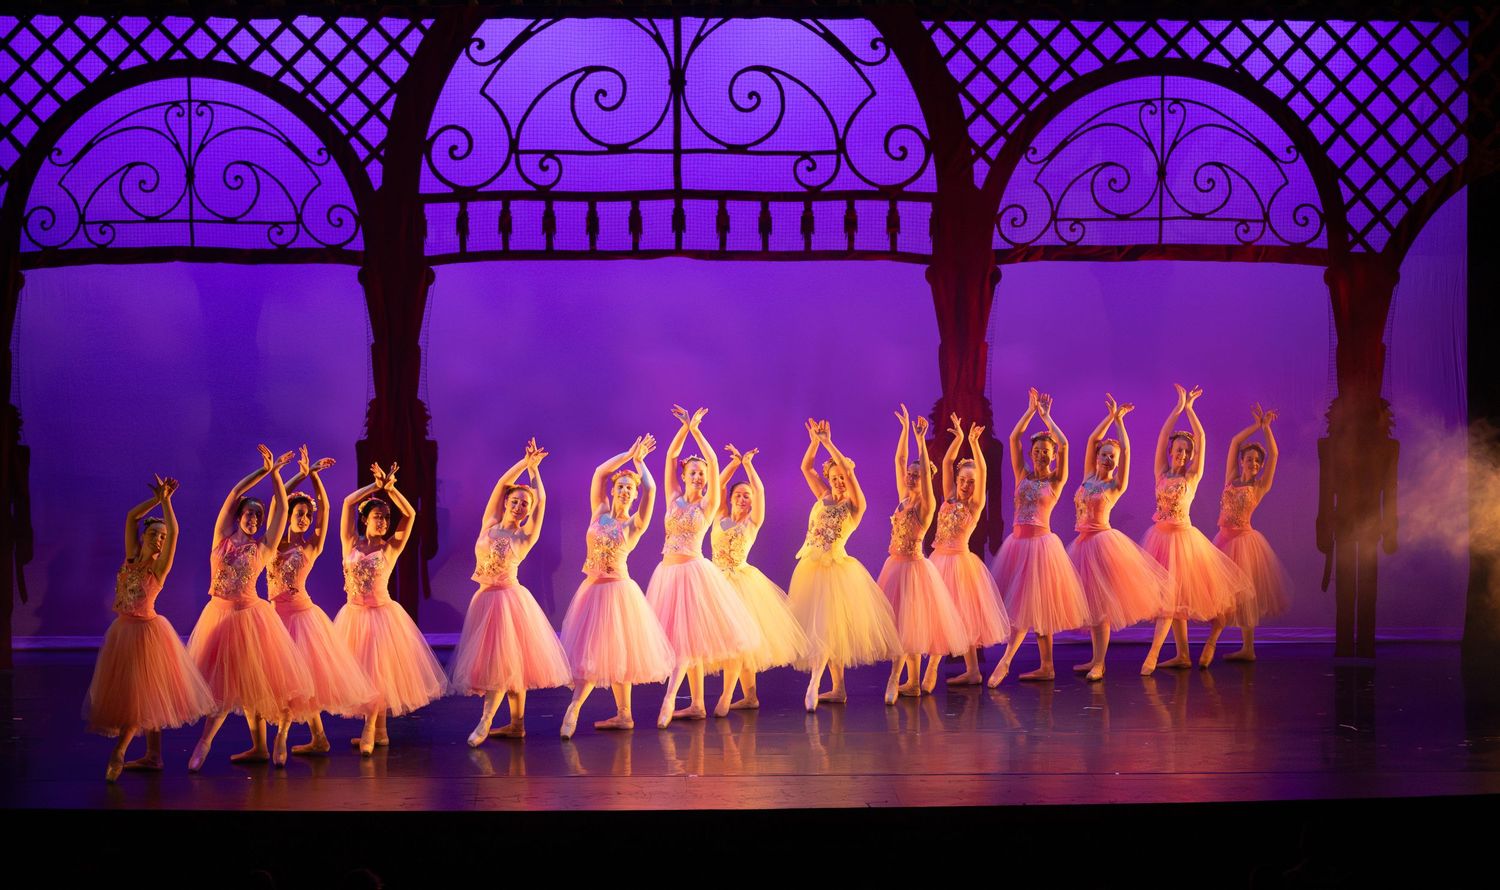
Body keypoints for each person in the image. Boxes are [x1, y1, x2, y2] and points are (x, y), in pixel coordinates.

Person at [187, 446, 313, 771]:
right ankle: (205, 741)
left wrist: (276, 478)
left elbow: (282, 510)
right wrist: (262, 471)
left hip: (251, 618)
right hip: (219, 616)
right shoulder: (221, 538)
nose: (255, 518)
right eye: (250, 513)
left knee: (261, 686)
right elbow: (234, 493)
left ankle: (270, 742)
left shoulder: (264, 548)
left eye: (259, 515)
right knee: (222, 688)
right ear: (239, 515)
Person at [85, 475, 213, 781]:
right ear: (144, 538)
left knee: (140, 695)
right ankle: (154, 756)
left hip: (146, 634)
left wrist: (168, 503)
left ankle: (120, 749)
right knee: (145, 694)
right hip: (122, 632)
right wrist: (157, 499)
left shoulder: (159, 568)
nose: (160, 540)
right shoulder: (131, 559)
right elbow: (131, 517)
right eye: (155, 535)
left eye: (163, 538)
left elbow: (177, 532)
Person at [448, 439, 571, 744]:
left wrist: (535, 474)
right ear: (506, 503)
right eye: (515, 501)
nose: (519, 507)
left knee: (504, 664)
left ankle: (486, 721)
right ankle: (517, 725)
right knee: (510, 664)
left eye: (524, 505)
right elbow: (503, 483)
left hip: (509, 601)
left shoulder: (525, 535)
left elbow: (541, 498)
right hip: (485, 599)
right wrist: (524, 463)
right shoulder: (488, 524)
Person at [649, 406, 761, 728]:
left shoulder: (708, 504)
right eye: (693, 473)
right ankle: (696, 704)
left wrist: (697, 431)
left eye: (702, 474)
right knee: (685, 642)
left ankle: (670, 697)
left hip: (693, 574)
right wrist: (684, 428)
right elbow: (671, 456)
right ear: (684, 476)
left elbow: (713, 462)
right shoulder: (672, 498)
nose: (698, 477)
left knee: (687, 642)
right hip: (667, 573)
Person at [558, 436, 676, 738]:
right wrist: (628, 454)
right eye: (620, 486)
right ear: (614, 491)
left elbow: (651, 488)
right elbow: (599, 472)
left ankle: (583, 709)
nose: (624, 491)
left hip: (619, 592)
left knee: (614, 653)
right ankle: (614, 713)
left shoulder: (635, 524)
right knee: (594, 653)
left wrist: (640, 464)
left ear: (634, 496)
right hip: (592, 589)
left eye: (629, 488)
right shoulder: (599, 512)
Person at [269, 447, 377, 759]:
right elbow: (277, 500)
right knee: (290, 680)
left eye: (307, 514)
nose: (304, 518)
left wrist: (314, 478)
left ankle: (283, 735)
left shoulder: (311, 546)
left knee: (299, 681)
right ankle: (318, 738)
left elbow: (327, 510)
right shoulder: (274, 542)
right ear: (288, 516)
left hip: (301, 617)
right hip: (274, 617)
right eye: (299, 513)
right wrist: (299, 475)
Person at [334, 462, 448, 755]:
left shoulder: (391, 547)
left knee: (376, 674)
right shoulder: (350, 543)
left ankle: (370, 729)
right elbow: (348, 502)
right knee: (363, 673)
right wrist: (376, 487)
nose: (384, 522)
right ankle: (382, 731)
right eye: (378, 516)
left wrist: (392, 489)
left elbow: (409, 514)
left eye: (386, 517)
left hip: (381, 616)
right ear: (365, 520)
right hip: (354, 615)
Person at [788, 419, 902, 712]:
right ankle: (837, 688)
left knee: (826, 629)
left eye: (843, 477)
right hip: (811, 569)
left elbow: (849, 472)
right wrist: (815, 442)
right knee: (828, 629)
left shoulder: (855, 506)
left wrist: (828, 442)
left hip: (837, 571)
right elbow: (806, 468)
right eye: (835, 477)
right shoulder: (822, 496)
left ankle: (814, 683)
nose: (839, 481)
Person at [1139, 385, 1252, 674]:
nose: (1183, 454)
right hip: (1160, 539)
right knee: (1173, 603)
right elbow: (1163, 436)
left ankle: (1152, 656)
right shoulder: (1161, 474)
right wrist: (1177, 406)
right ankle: (1183, 654)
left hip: (1183, 542)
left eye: (1186, 451)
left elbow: (1200, 438)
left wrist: (1190, 409)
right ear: (1171, 452)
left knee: (1171, 601)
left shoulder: (1192, 476)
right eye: (1179, 450)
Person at [988, 390, 1088, 685]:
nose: (1041, 454)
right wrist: (1030, 411)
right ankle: (1047, 667)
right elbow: (1013, 438)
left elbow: (1066, 443)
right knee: (1033, 607)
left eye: (1046, 450)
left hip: (1041, 547)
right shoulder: (1023, 475)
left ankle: (1006, 662)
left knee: (1030, 606)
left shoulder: (1055, 480)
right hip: (1018, 545)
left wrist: (1046, 418)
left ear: (1053, 455)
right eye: (1037, 450)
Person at [1067, 395, 1171, 681]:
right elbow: (1091, 440)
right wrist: (1109, 418)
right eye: (1105, 454)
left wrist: (1120, 422)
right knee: (1089, 606)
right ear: (1098, 456)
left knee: (1100, 609)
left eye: (1112, 456)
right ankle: (1094, 658)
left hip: (1102, 544)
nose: (1108, 458)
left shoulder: (1115, 486)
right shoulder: (1088, 476)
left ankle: (1100, 663)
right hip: (1082, 544)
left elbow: (1126, 449)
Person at [878, 405, 968, 702]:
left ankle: (895, 678)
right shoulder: (903, 498)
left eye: (917, 474)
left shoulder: (925, 506)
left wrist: (922, 441)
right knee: (904, 627)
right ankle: (913, 682)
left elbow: (925, 479)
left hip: (914, 569)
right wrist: (905, 430)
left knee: (910, 626)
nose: (910, 477)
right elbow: (898, 459)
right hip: (895, 565)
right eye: (909, 474)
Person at [711, 443, 810, 712]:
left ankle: (726, 697)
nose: (743, 499)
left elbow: (761, 490)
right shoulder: (718, 515)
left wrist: (749, 465)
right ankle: (751, 696)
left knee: (738, 641)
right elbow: (718, 484)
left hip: (742, 584)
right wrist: (733, 464)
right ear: (730, 497)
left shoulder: (752, 523)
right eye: (739, 494)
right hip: (715, 583)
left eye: (747, 496)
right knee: (731, 642)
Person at [1206, 404, 1292, 664]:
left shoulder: (1259, 487)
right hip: (1222, 539)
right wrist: (1255, 425)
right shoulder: (1231, 478)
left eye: (1257, 461)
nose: (1254, 463)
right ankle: (1242, 647)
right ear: (1241, 462)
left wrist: (1267, 429)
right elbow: (1234, 441)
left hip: (1244, 542)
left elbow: (1275, 455)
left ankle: (1236, 646)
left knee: (1241, 596)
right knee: (1222, 594)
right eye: (1250, 459)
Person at [933, 413, 1011, 686]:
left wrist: (975, 445)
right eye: (963, 480)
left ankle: (940, 672)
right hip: (938, 560)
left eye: (972, 483)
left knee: (962, 616)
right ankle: (973, 671)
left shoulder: (974, 506)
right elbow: (945, 463)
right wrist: (958, 439)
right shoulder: (949, 496)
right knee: (936, 615)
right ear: (957, 479)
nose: (967, 485)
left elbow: (984, 472)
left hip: (959, 563)